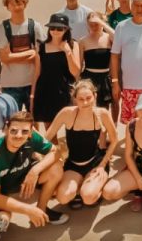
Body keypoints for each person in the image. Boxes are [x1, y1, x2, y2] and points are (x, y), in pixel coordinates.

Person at [0, 110, 69, 228]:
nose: (19, 135)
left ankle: (42, 210)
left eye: (25, 131)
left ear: (31, 132)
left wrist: (35, 171)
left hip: (21, 179)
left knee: (56, 167)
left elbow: (55, 151)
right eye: (14, 130)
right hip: (0, 190)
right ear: (6, 130)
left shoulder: (31, 138)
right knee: (2, 223)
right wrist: (28, 210)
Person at [46, 80, 118, 208]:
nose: (85, 103)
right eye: (81, 99)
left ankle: (93, 189)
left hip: (96, 163)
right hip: (73, 164)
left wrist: (103, 165)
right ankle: (81, 187)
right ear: (75, 99)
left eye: (88, 98)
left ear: (95, 96)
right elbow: (47, 138)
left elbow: (114, 140)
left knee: (89, 198)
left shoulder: (103, 114)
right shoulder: (66, 113)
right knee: (63, 198)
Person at [0, 0, 42, 112]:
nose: (16, 6)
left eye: (19, 2)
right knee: (12, 122)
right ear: (7, 7)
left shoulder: (35, 26)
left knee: (34, 121)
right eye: (11, 3)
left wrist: (12, 56)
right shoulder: (1, 29)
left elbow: (40, 56)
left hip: (32, 83)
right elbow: (5, 59)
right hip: (10, 85)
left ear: (25, 3)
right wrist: (31, 53)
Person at [33, 14, 82, 128]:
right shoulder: (41, 47)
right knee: (49, 130)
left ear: (66, 29)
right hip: (46, 91)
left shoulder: (73, 45)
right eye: (52, 28)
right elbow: (37, 74)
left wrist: (68, 52)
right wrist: (32, 96)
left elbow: (76, 72)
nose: (55, 31)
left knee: (72, 128)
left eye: (59, 28)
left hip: (66, 92)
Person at [79, 11, 115, 116]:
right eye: (91, 24)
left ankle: (103, 132)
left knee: (103, 110)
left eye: (96, 23)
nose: (94, 26)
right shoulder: (83, 41)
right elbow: (80, 64)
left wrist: (102, 23)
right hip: (88, 78)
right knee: (88, 109)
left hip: (105, 78)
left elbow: (118, 37)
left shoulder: (109, 38)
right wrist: (77, 82)